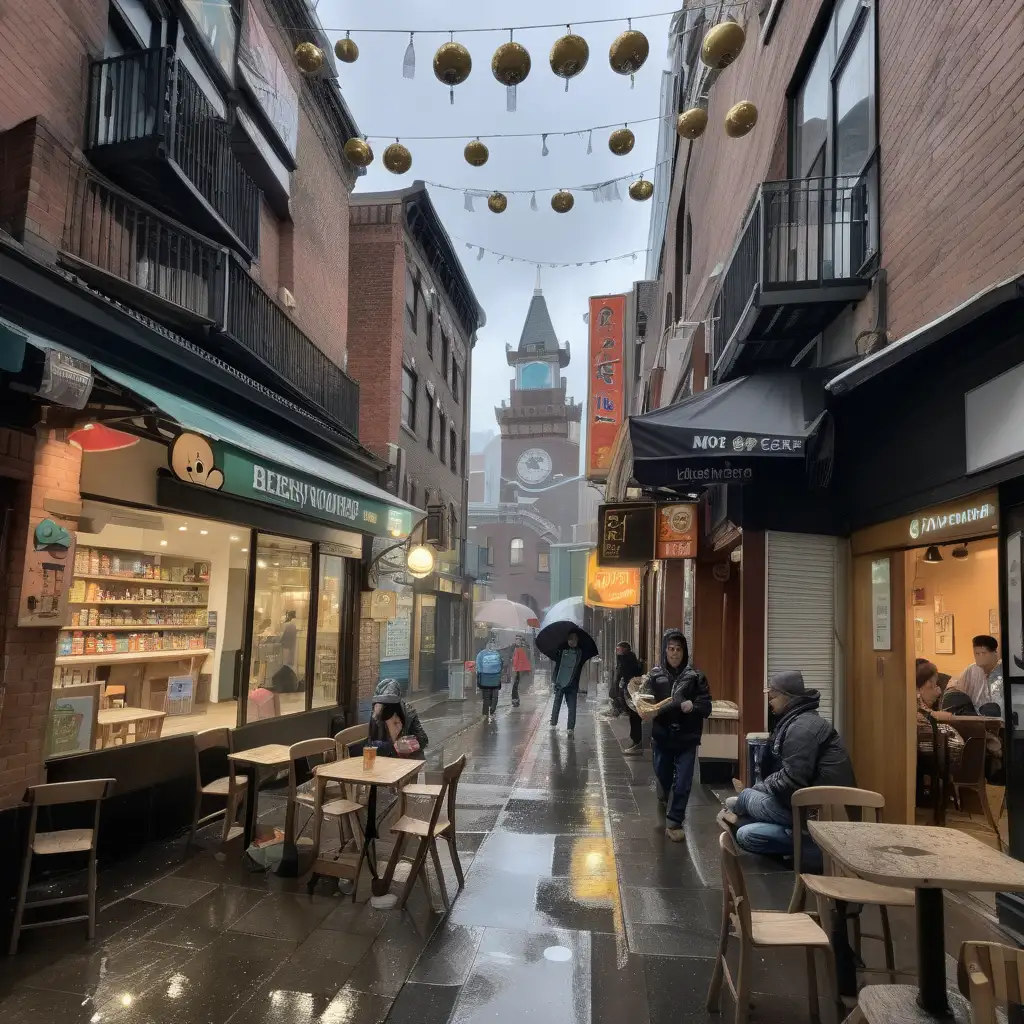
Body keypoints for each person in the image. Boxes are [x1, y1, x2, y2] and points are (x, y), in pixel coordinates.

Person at [727, 670, 855, 860]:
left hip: (818, 814)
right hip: (807, 806)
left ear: (788, 698)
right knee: (744, 823)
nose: (770, 700)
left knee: (745, 802)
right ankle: (798, 839)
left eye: (773, 696)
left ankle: (816, 849)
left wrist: (761, 788)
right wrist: (764, 787)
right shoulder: (798, 721)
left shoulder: (802, 728)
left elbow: (792, 780)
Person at [637, 629, 711, 841]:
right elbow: (642, 699)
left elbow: (706, 706)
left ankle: (675, 821)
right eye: (670, 649)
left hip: (687, 737)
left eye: (678, 649)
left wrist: (693, 706)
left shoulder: (696, 676)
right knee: (663, 775)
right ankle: (664, 794)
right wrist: (643, 709)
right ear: (665, 650)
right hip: (662, 736)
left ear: (684, 651)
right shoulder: (654, 675)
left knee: (684, 781)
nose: (674, 653)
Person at [916, 660, 963, 803]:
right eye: (934, 682)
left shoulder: (915, 694)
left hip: (922, 744)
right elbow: (925, 713)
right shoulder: (916, 697)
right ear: (929, 681)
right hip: (925, 747)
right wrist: (936, 714)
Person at [943, 635, 1003, 717]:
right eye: (977, 653)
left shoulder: (1003, 670)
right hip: (975, 719)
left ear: (995, 653)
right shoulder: (972, 670)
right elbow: (955, 688)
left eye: (983, 653)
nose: (980, 657)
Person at [368, 678, 428, 757]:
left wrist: (408, 744)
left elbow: (423, 740)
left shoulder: (408, 712)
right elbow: (371, 744)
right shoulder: (376, 713)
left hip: (407, 761)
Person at [549, 631, 588, 735]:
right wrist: (554, 680)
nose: (572, 642)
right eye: (570, 639)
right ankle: (554, 724)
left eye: (574, 640)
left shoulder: (577, 652)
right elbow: (558, 666)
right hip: (561, 682)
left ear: (577, 640)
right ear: (567, 640)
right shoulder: (563, 650)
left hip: (570, 683)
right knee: (558, 704)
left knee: (571, 706)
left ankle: (569, 727)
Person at [612, 641, 645, 755]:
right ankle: (635, 739)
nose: (617, 651)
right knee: (632, 717)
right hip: (628, 691)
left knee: (635, 717)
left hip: (632, 691)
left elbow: (625, 674)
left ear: (625, 649)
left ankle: (637, 741)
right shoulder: (623, 659)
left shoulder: (628, 660)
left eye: (619, 649)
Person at [475, 639, 504, 721]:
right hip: (494, 679)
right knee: (493, 696)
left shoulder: (481, 654)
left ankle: (485, 713)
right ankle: (491, 711)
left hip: (486, 679)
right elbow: (501, 664)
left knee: (487, 697)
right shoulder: (497, 653)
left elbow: (479, 666)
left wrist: (480, 675)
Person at [511, 635, 531, 708]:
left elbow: (515, 660)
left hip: (519, 669)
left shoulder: (518, 649)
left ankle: (515, 701)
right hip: (525, 669)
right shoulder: (526, 649)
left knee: (515, 686)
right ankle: (517, 700)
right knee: (519, 685)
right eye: (516, 639)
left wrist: (513, 666)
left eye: (518, 640)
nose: (517, 641)